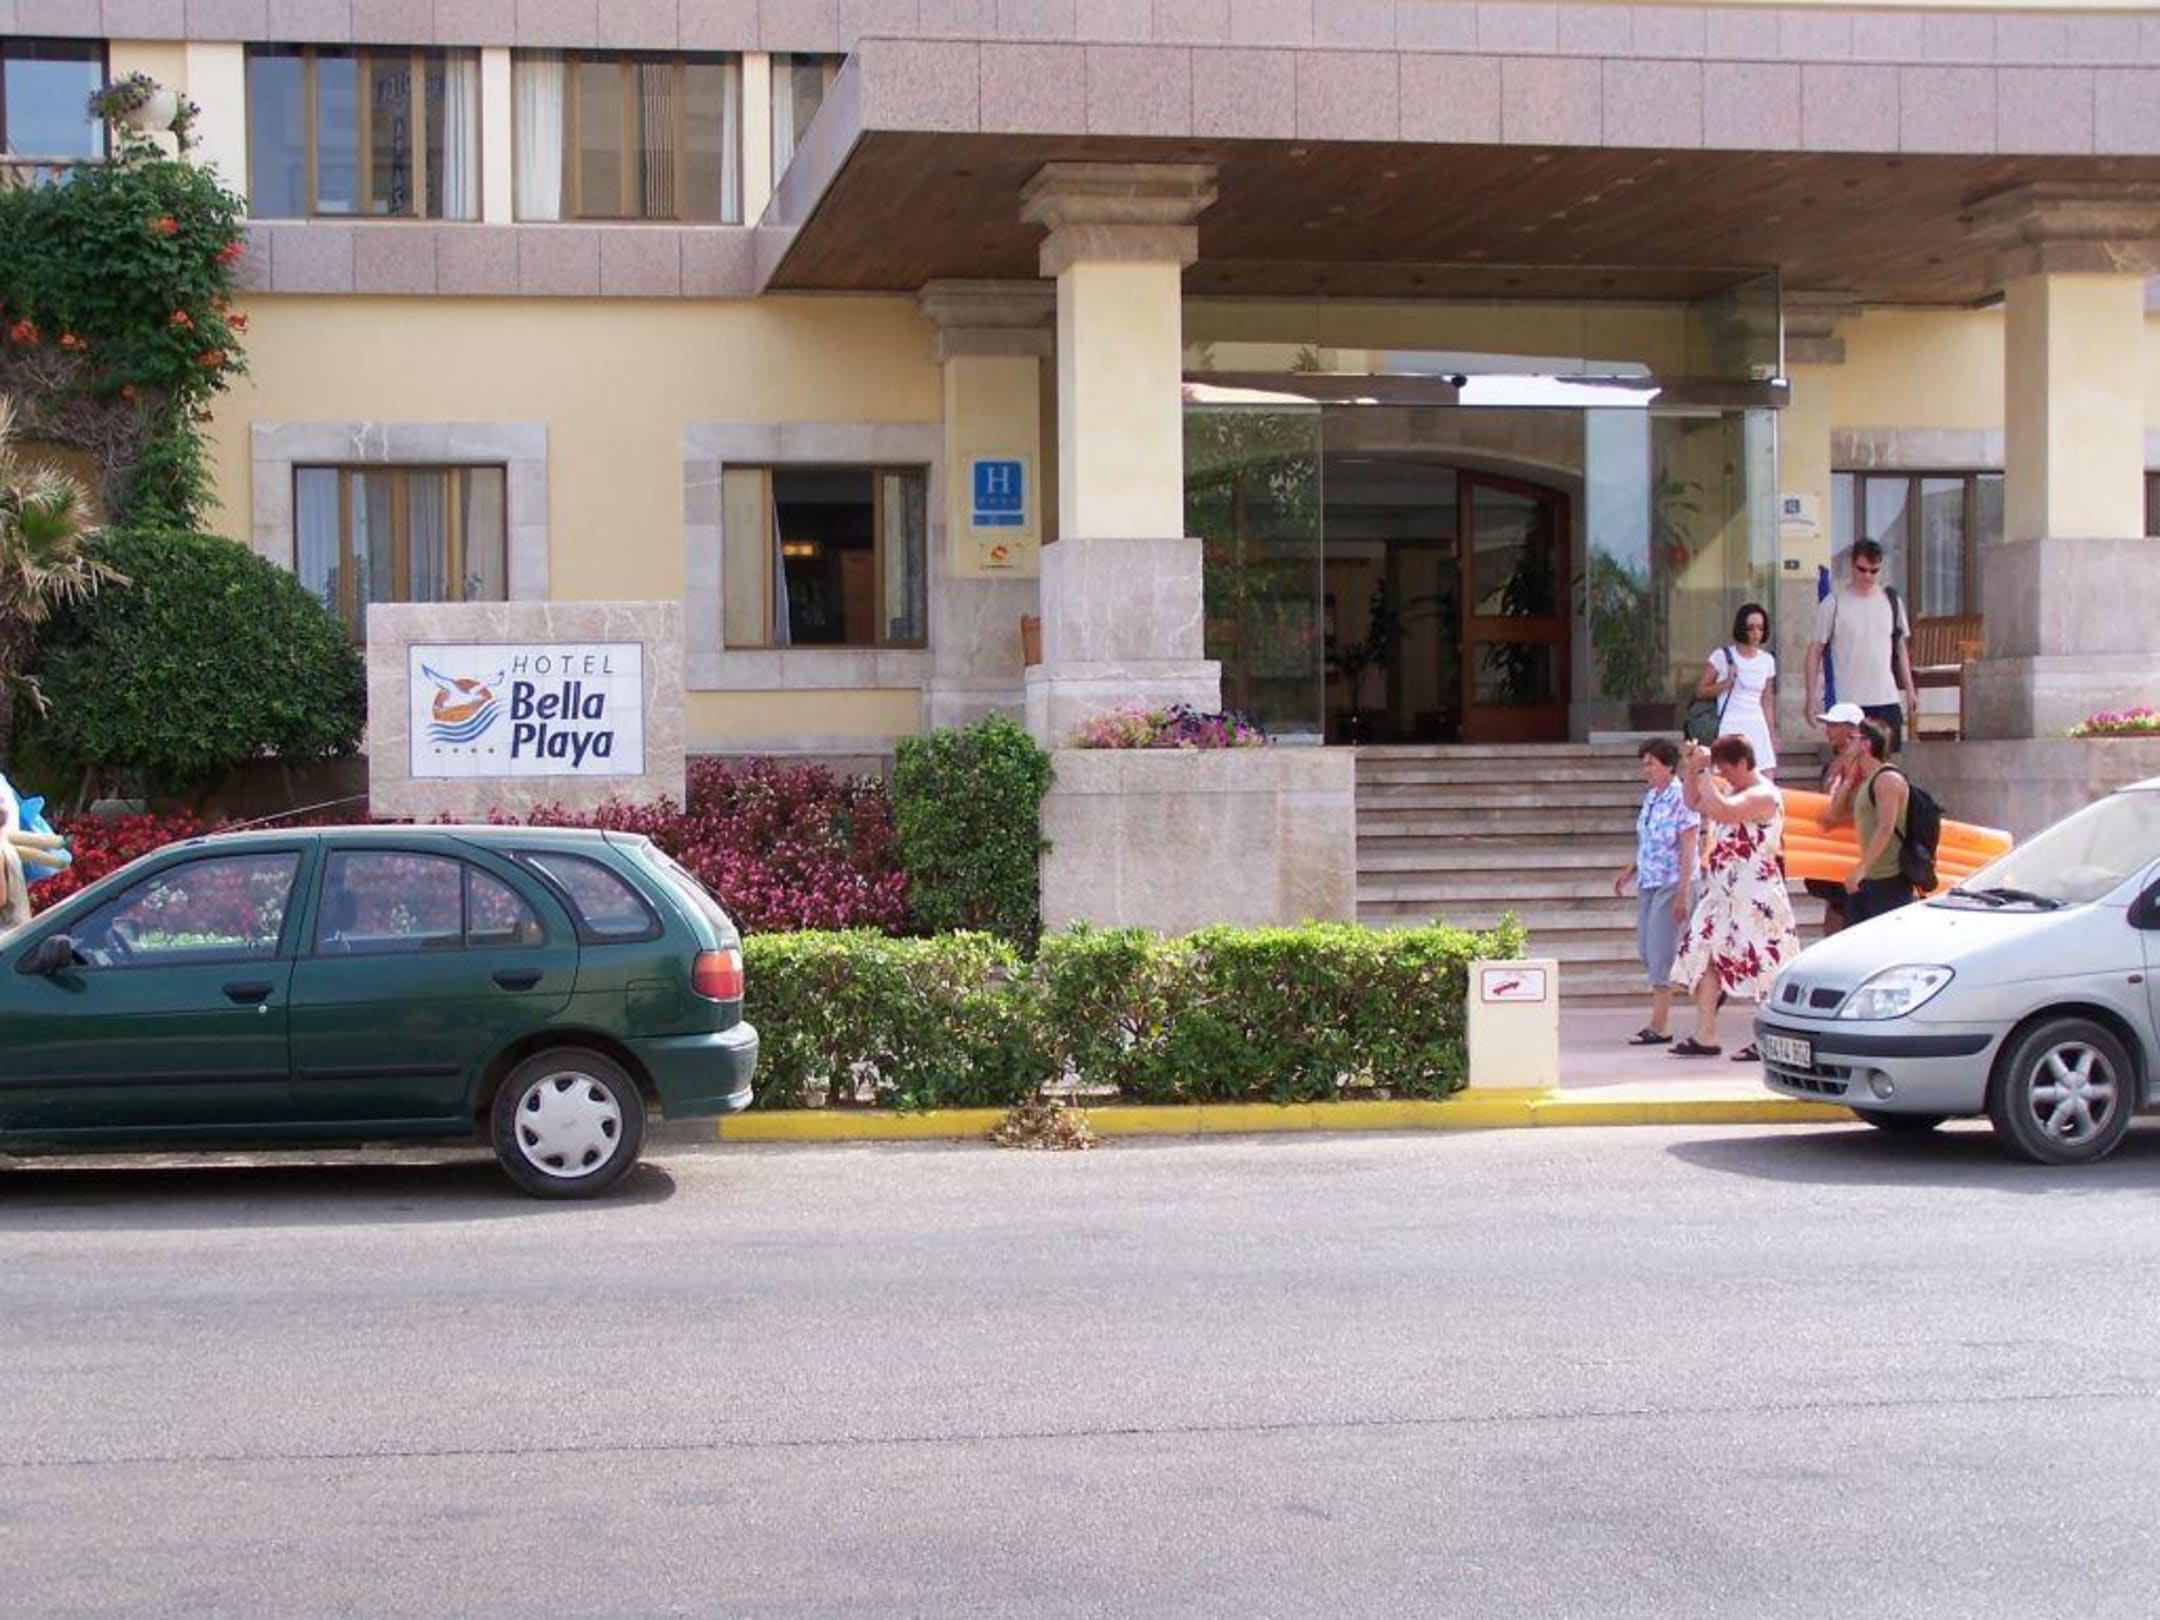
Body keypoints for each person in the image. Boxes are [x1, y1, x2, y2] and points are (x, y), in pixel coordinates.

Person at [1667, 734, 1799, 1060]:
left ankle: (1768, 1036)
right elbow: (1694, 803)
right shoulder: (1730, 790)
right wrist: (1691, 769)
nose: (1723, 777)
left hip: (1756, 896)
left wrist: (1703, 772)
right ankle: (1706, 1034)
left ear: (1743, 763)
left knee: (1765, 962)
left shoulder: (1764, 795)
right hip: (1721, 894)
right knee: (1703, 955)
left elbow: (1724, 812)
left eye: (1726, 770)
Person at [1611, 738, 1700, 1046]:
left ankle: (1660, 1024)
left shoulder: (1681, 797)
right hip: (1649, 880)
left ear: (1668, 765)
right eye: (1644, 764)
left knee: (1660, 951)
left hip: (1672, 881)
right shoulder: (1652, 797)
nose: (1646, 769)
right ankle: (1700, 991)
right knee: (1646, 948)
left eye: (1651, 763)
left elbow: (1689, 847)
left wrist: (1683, 893)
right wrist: (1631, 869)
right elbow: (1650, 841)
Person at [1805, 538, 1917, 755]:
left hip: (1886, 698)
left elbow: (1900, 647)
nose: (1867, 576)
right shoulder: (1834, 603)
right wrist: (1811, 697)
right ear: (1852, 565)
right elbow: (1814, 651)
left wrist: (1910, 689)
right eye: (1862, 569)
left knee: (1884, 763)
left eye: (1874, 571)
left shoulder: (1891, 601)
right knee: (1849, 762)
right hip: (1849, 701)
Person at [1819, 716, 1920, 926]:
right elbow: (1832, 816)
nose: (1847, 743)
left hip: (1888, 880)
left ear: (1866, 744)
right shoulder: (1866, 779)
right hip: (1868, 879)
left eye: (1853, 738)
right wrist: (1849, 777)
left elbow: (1885, 827)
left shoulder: (1887, 779)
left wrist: (1861, 870)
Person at [1803, 702, 1870, 937]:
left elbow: (1867, 810)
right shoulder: (1833, 764)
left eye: (1834, 725)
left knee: (1848, 913)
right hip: (1833, 850)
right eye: (1828, 725)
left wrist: (1836, 820)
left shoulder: (1865, 766)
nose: (1828, 730)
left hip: (1853, 852)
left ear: (1852, 729)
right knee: (1833, 908)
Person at [1695, 601, 1779, 776]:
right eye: (1751, 628)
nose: (1756, 633)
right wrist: (1726, 683)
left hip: (1757, 725)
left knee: (1765, 777)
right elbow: (1701, 690)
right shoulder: (1722, 656)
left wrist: (1772, 734)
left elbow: (1767, 701)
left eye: (1760, 628)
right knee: (1726, 777)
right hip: (1730, 724)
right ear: (1742, 628)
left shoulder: (1767, 660)